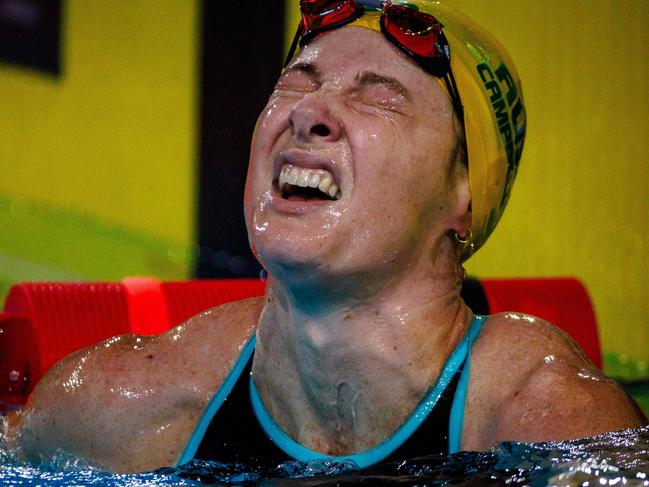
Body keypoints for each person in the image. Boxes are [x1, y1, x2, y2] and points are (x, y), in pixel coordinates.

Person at [4, 0, 646, 474]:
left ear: (465, 193)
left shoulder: (551, 429)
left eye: (380, 97)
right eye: (297, 82)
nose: (307, 113)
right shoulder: (122, 408)